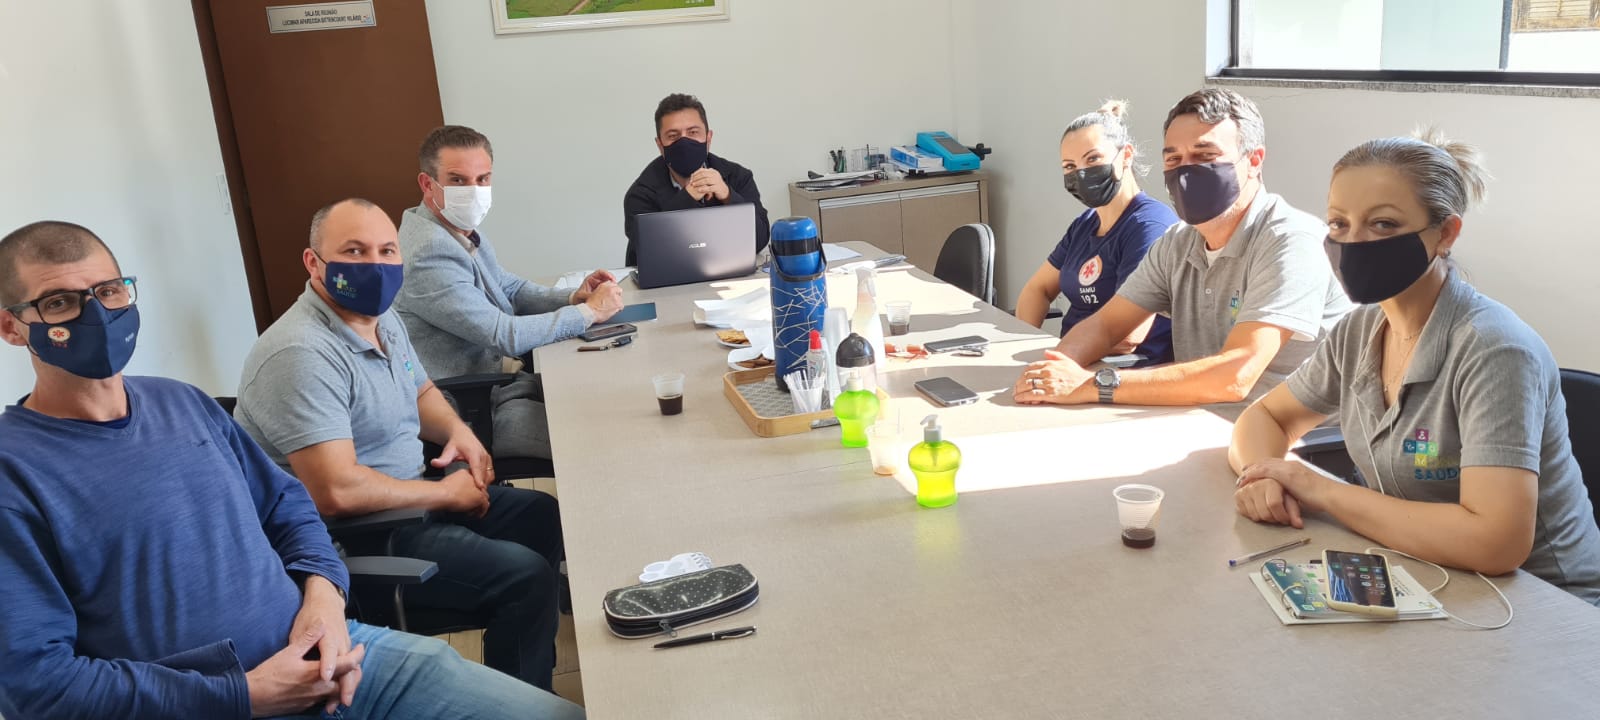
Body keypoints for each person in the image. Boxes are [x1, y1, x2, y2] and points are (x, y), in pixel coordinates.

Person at [0, 220, 583, 718]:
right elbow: (38, 686)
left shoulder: (182, 403)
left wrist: (325, 598)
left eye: (108, 292)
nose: (96, 315)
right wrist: (243, 695)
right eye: (60, 303)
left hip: (334, 652)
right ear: (10, 326)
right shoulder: (16, 473)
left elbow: (288, 505)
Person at [1228, 131, 1600, 604]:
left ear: (1445, 234)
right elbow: (1265, 417)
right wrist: (1265, 475)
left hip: (1544, 605)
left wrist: (1315, 488)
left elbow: (1497, 542)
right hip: (1421, 573)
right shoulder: (1360, 329)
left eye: (1383, 224)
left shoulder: (1494, 349)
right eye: (1339, 223)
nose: (1354, 242)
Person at [234, 199, 569, 689]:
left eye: (387, 250)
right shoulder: (300, 353)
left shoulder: (379, 317)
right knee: (524, 578)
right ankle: (520, 697)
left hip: (408, 495)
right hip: (355, 534)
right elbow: (337, 492)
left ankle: (527, 662)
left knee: (541, 515)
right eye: (354, 251)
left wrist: (460, 434)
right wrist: (445, 494)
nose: (375, 265)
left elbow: (421, 390)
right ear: (313, 263)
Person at [1014, 88, 1353, 412]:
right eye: (1174, 159)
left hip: (1291, 441)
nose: (1186, 172)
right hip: (1198, 419)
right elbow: (1106, 326)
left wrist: (1093, 385)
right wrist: (1054, 370)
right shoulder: (1177, 243)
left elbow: (1235, 375)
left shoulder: (1291, 241)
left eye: (1205, 156)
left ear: (1254, 161)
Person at [393, 124, 624, 461]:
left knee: (610, 404)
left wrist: (572, 298)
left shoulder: (454, 228)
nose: (474, 191)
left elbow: (508, 287)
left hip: (499, 383)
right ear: (428, 184)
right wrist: (590, 313)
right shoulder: (428, 252)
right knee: (602, 442)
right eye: (458, 180)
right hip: (474, 406)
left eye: (482, 179)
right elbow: (505, 335)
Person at [1014, 100, 1178, 367]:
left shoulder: (1150, 226)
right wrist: (1025, 345)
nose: (1081, 174)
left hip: (1122, 371)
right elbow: (1037, 289)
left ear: (1126, 155)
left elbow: (1128, 337)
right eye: (1069, 166)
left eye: (1093, 159)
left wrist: (1060, 356)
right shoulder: (1086, 223)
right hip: (1071, 360)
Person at [622, 92, 769, 267]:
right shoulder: (640, 194)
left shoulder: (737, 177)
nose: (684, 142)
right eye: (673, 135)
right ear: (660, 145)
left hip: (727, 275)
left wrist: (728, 196)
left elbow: (759, 240)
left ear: (708, 138)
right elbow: (649, 253)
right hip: (668, 281)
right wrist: (687, 198)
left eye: (693, 132)